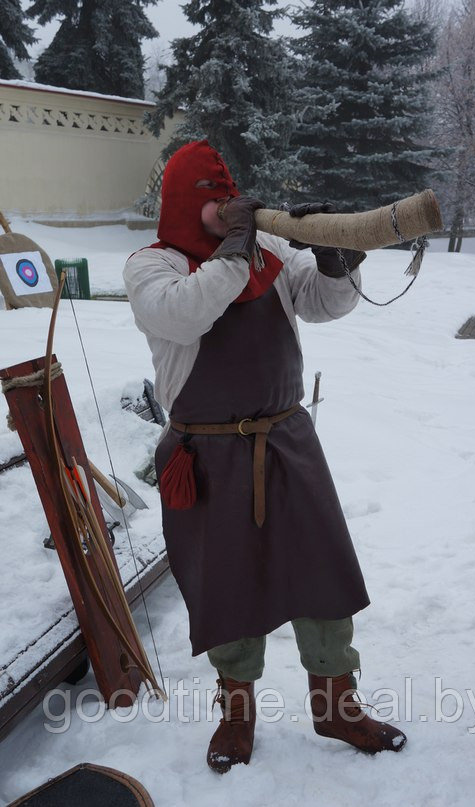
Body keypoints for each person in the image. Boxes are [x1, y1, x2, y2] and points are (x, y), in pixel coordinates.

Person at [123, 140, 407, 774]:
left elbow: (324, 305)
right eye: (213, 198)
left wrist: (335, 265)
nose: (228, 205)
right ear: (182, 203)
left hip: (287, 440)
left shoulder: (270, 251)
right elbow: (182, 315)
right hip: (208, 456)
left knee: (323, 577)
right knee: (226, 589)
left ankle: (338, 706)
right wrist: (232, 254)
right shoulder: (151, 267)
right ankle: (236, 715)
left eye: (231, 194)